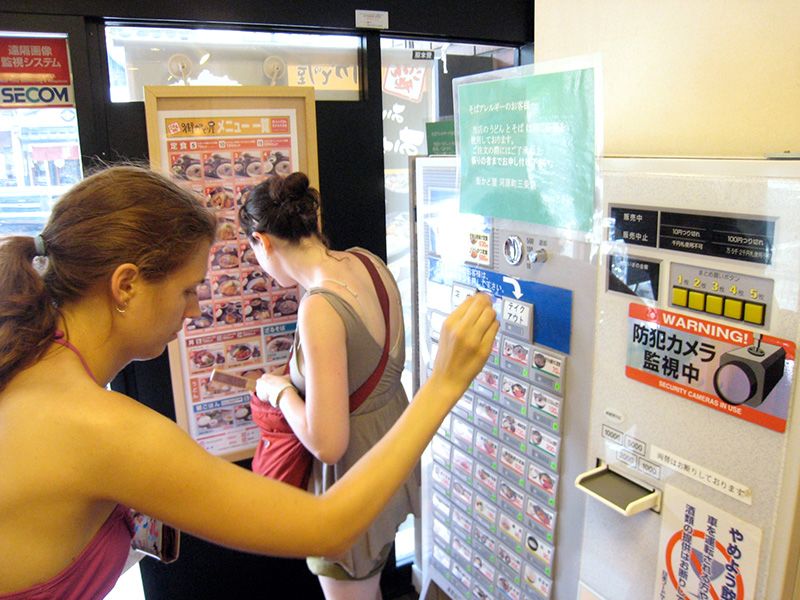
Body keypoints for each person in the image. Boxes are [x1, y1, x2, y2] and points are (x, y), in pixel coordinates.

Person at [0, 165, 499, 599]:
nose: (194, 309)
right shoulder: (102, 428)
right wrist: (444, 383)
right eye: (188, 290)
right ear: (126, 285)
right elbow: (328, 526)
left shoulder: (29, 368)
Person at [237, 172, 428, 599]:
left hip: (352, 476)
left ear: (262, 241)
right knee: (372, 582)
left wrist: (279, 391)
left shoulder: (319, 307)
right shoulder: (366, 261)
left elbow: (328, 443)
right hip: (392, 450)